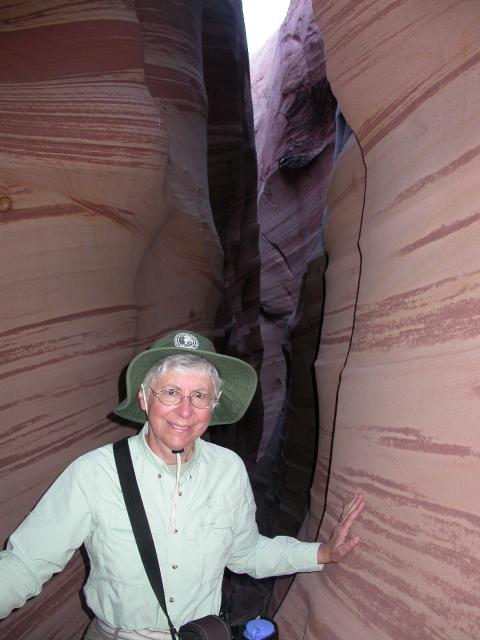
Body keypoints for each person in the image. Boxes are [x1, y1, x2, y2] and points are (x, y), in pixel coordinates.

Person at [0, 330, 364, 639]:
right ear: (144, 399)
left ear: (214, 405)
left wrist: (320, 554)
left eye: (199, 396)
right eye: (170, 392)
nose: (185, 410)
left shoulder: (228, 470)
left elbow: (246, 553)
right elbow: (25, 565)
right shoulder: (95, 473)